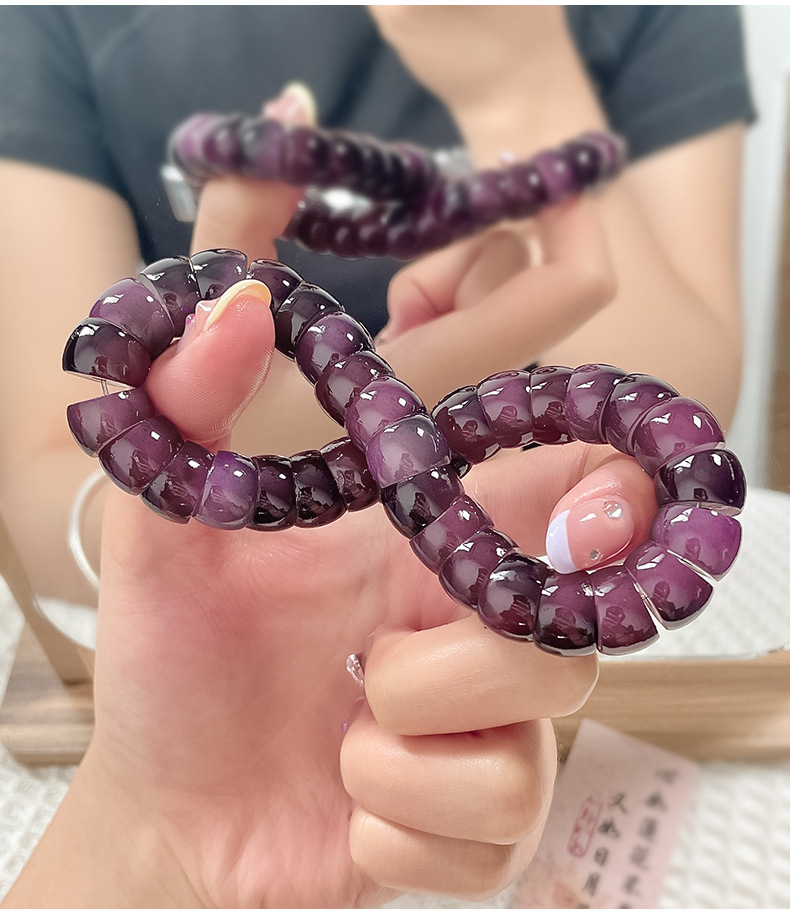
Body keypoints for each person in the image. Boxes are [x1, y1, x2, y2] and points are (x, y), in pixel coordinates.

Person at [0, 5, 753, 906]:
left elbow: (686, 423)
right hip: (235, 633)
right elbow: (43, 466)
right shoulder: (58, 22)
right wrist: (223, 513)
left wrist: (528, 91)